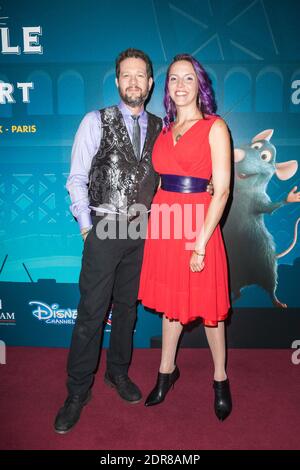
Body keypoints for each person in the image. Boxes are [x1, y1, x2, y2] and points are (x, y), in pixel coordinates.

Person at [54, 48, 163, 434]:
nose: (134, 82)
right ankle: (76, 391)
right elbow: (76, 178)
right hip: (104, 226)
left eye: (141, 76)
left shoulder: (161, 127)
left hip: (141, 231)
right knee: (90, 314)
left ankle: (117, 373)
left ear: (151, 84)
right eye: (126, 76)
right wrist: (87, 226)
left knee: (128, 310)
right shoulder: (94, 121)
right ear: (117, 82)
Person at [138, 54, 232, 421]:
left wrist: (200, 241)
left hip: (199, 226)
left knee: (210, 311)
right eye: (173, 79)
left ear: (200, 86)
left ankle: (220, 378)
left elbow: (221, 191)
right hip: (166, 223)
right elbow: (161, 181)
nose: (179, 85)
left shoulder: (215, 127)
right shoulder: (163, 129)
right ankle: (166, 372)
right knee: (170, 303)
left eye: (188, 79)